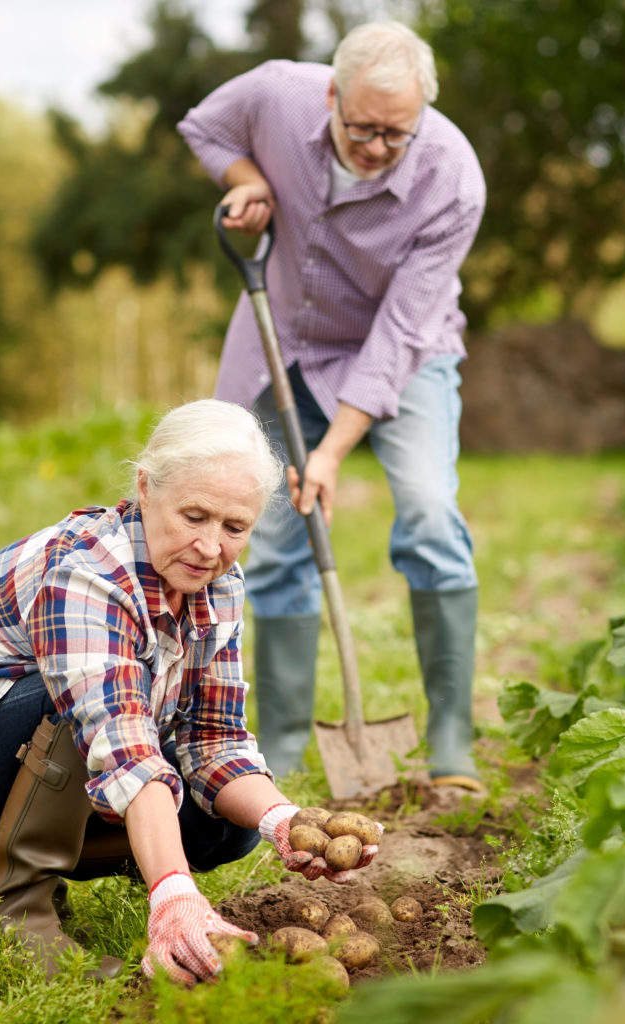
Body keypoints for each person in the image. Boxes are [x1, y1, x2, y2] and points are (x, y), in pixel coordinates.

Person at [0, 399, 379, 984]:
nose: (211, 547)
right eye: (194, 516)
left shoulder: (218, 583)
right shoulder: (86, 571)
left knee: (230, 827)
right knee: (76, 703)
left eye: (234, 527)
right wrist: (173, 892)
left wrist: (284, 820)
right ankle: (18, 908)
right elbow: (122, 741)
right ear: (145, 488)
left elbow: (213, 738)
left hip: (26, 753)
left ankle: (59, 859)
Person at [176, 21, 486, 791]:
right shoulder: (279, 92)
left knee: (427, 511)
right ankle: (274, 746)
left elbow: (401, 332)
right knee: (276, 534)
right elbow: (205, 126)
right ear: (331, 96)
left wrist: (334, 449)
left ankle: (450, 737)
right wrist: (246, 179)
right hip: (284, 341)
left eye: (397, 133)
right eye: (362, 128)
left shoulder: (453, 178)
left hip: (402, 355)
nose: (378, 146)